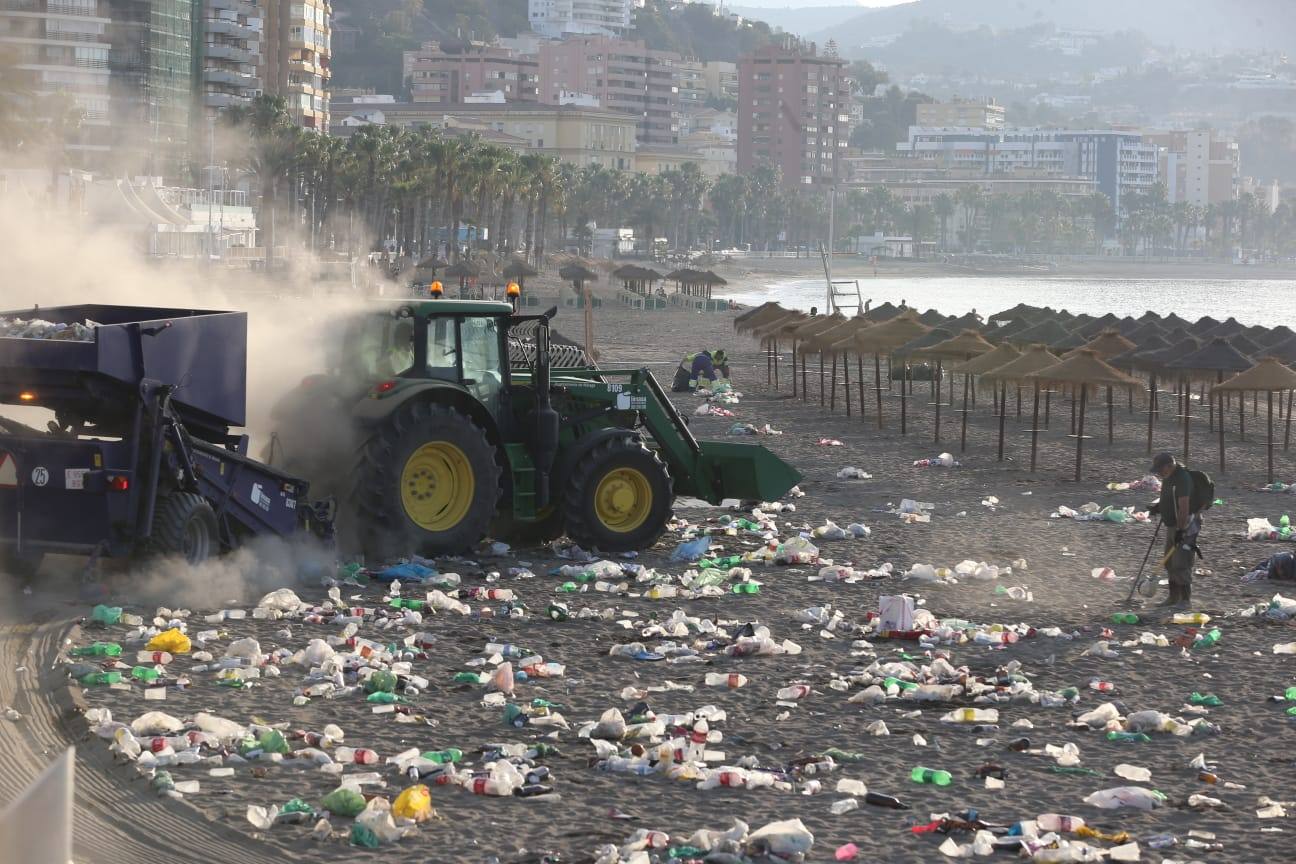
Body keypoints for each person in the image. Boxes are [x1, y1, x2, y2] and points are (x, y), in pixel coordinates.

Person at [1148, 452, 1200, 607]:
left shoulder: (1182, 478)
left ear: (1169, 466)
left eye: (1160, 469)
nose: (1159, 472)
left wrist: (1181, 530)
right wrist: (1159, 507)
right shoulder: (1169, 477)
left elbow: (1184, 507)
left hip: (1186, 525)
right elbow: (1168, 497)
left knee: (1181, 562)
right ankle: (1173, 598)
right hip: (1172, 524)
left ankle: (1185, 600)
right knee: (1170, 562)